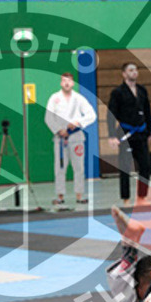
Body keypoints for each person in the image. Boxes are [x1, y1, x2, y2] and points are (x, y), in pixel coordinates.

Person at [45, 71, 97, 206]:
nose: (66, 83)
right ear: (61, 83)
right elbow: (48, 118)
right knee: (59, 168)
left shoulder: (79, 99)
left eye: (69, 80)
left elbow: (92, 115)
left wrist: (78, 122)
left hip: (76, 138)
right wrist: (58, 130)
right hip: (60, 139)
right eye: (64, 80)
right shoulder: (54, 98)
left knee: (79, 167)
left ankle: (79, 195)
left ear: (73, 83)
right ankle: (60, 196)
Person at [108, 63, 151, 205]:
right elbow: (111, 115)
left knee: (145, 166)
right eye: (130, 70)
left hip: (141, 134)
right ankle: (126, 199)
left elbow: (147, 111)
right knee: (125, 168)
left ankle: (142, 197)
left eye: (135, 70)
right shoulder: (118, 92)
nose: (134, 72)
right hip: (125, 134)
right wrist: (111, 136)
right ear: (124, 74)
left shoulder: (142, 90)